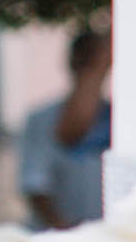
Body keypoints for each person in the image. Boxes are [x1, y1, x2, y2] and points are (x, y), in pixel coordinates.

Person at [18, 28, 112, 231]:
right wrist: (65, 229)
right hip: (53, 240)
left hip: (102, 238)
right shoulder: (40, 119)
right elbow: (34, 185)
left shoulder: (115, 118)